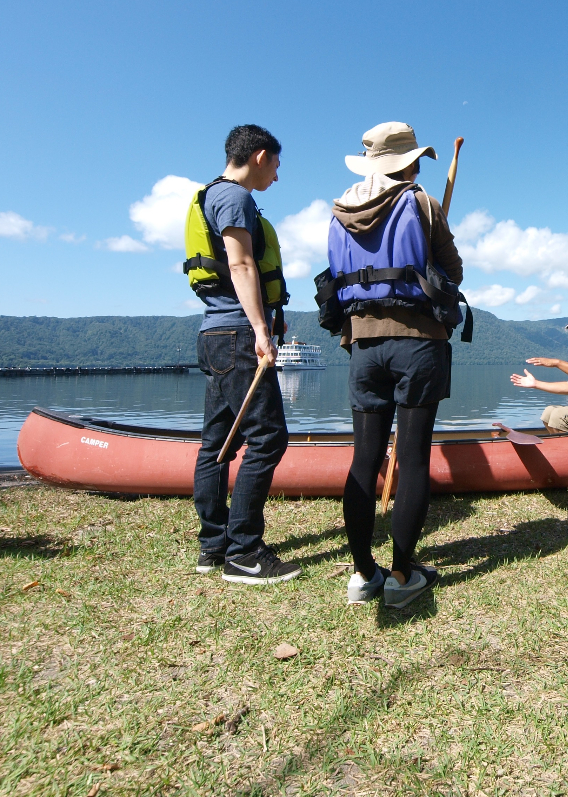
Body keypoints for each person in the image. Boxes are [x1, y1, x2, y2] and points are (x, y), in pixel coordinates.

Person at [320, 122, 465, 609]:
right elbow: (454, 271)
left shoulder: (340, 212)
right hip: (418, 345)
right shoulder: (422, 202)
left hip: (363, 346)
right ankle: (402, 575)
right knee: (414, 459)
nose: (419, 169)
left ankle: (363, 574)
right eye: (416, 162)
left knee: (365, 459)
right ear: (408, 164)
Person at [185, 124, 298, 585]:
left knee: (216, 443)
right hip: (237, 335)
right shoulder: (234, 198)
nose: (276, 176)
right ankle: (245, 553)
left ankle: (213, 545)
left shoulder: (211, 195)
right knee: (268, 438)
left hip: (215, 335)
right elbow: (241, 263)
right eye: (276, 166)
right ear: (260, 156)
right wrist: (260, 330)